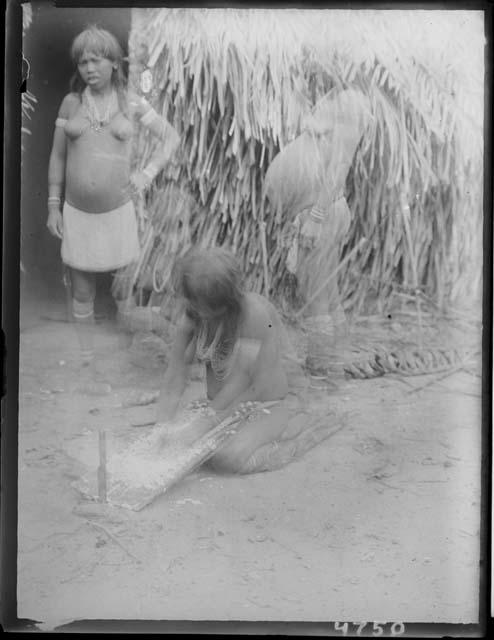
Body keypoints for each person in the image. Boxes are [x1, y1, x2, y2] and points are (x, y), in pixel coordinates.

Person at [46, 26, 179, 364]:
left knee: (127, 289)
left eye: (96, 60)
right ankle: (87, 359)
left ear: (114, 63)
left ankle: (131, 358)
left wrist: (146, 174)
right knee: (82, 291)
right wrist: (52, 205)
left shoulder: (131, 102)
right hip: (77, 213)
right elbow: (58, 156)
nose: (89, 69)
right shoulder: (71, 103)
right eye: (82, 63)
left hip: (119, 212)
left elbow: (171, 137)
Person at [156, 247, 341, 474]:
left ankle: (299, 428)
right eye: (192, 302)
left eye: (199, 304)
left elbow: (251, 385)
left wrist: (204, 423)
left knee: (227, 459)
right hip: (224, 406)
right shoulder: (193, 315)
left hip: (270, 403)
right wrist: (162, 428)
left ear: (224, 303)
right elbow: (175, 374)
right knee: (181, 445)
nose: (192, 309)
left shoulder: (255, 315)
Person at [264, 87, 372, 373]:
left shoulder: (352, 103)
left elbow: (339, 167)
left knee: (316, 298)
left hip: (322, 214)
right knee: (328, 293)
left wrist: (316, 216)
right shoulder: (336, 101)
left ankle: (323, 370)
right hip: (316, 213)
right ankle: (334, 361)